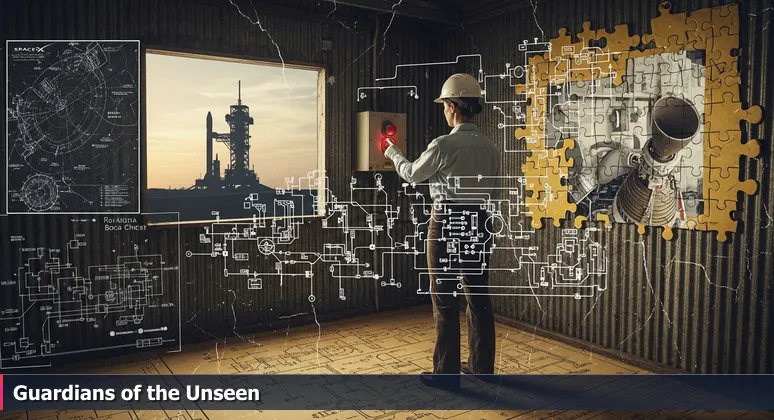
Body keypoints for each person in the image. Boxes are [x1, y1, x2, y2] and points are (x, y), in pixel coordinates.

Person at [383, 73, 499, 387]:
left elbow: (412, 175)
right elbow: (495, 193)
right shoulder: (489, 147)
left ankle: (446, 374)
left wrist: (393, 152)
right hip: (479, 222)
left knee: (444, 298)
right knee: (478, 295)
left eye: (445, 105)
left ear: (451, 106)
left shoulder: (443, 144)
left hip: (447, 222)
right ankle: (481, 366)